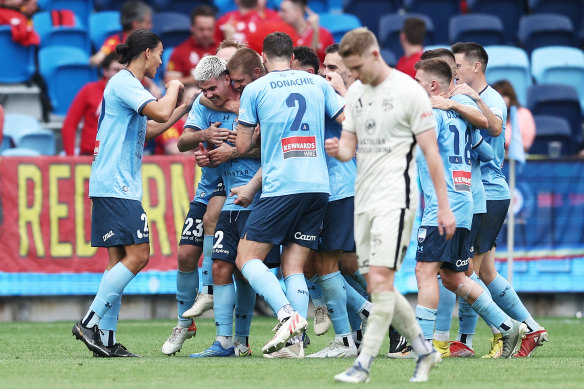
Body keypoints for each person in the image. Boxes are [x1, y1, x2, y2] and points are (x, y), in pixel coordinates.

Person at [326, 27, 455, 384]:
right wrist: (336, 149)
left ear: (373, 55)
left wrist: (444, 206)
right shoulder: (356, 95)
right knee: (379, 284)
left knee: (381, 280)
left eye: (356, 67)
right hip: (363, 200)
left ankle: (363, 363)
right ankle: (425, 351)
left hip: (396, 198)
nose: (354, 75)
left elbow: (431, 152)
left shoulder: (408, 91)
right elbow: (350, 148)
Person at [72, 29, 191, 358]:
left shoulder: (126, 88)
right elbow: (159, 111)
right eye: (160, 53)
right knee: (139, 256)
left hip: (111, 184)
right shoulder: (125, 83)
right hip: (116, 186)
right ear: (147, 53)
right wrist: (175, 87)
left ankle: (106, 342)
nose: (162, 60)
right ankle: (89, 322)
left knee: (117, 262)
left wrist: (182, 111)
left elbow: (148, 129)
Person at [233, 31, 344, 357]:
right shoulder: (318, 84)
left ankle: (287, 316)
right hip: (318, 185)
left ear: (264, 59)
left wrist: (257, 131)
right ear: (293, 58)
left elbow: (241, 147)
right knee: (293, 265)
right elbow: (347, 118)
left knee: (246, 257)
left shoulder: (255, 88)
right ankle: (294, 347)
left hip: (283, 185)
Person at [413, 58, 524, 362]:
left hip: (442, 205)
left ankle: (426, 345)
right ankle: (505, 324)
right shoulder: (461, 119)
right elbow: (488, 153)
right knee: (454, 277)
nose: (414, 84)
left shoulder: (430, 114)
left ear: (433, 85)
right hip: (466, 204)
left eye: (417, 80)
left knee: (425, 271)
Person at [451, 41, 548, 358]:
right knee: (487, 273)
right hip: (486, 191)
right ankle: (533, 328)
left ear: (476, 66)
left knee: (468, 273)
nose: (455, 70)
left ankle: (467, 341)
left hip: (488, 191)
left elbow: (489, 152)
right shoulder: (471, 95)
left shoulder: (491, 100)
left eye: (459, 65)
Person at [61, 53, 124, 156]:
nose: (121, 74)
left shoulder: (132, 95)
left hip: (119, 157)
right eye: (116, 70)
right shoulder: (89, 90)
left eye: (124, 71)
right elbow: (70, 124)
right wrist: (70, 157)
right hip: (89, 155)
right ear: (105, 71)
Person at [164, 5, 218, 87]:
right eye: (201, 29)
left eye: (209, 29)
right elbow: (169, 81)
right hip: (192, 94)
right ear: (192, 28)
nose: (206, 33)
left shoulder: (221, 49)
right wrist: (194, 79)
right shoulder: (180, 51)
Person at [90, 1, 152, 67]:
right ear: (135, 24)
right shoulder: (115, 41)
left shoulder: (149, 42)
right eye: (147, 23)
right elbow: (96, 60)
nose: (150, 26)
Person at [492, 80, 536, 153]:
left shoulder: (524, 114)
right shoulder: (488, 116)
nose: (501, 99)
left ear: (511, 97)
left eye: (504, 95)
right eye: (498, 95)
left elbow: (526, 145)